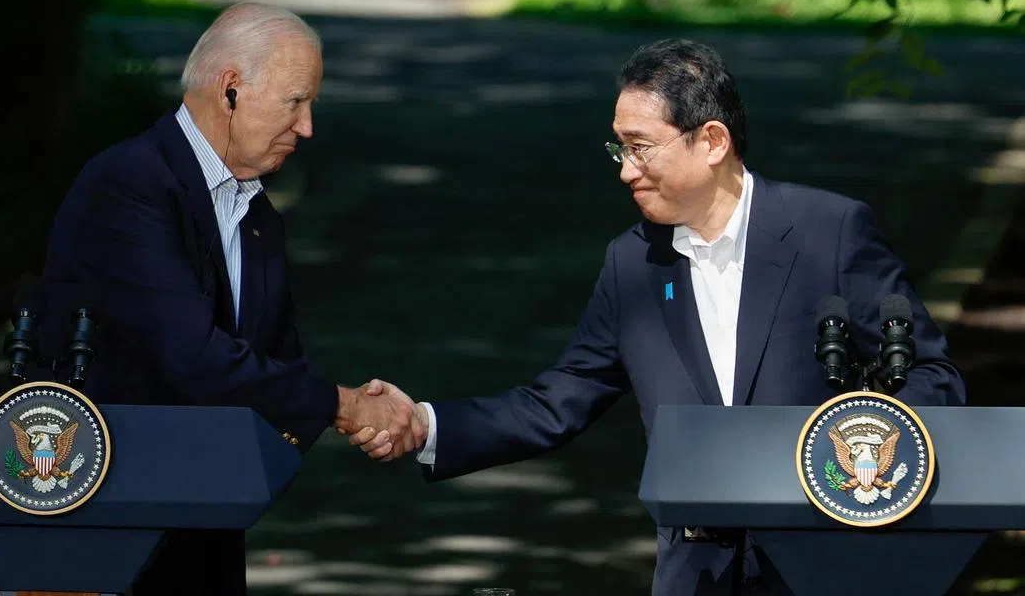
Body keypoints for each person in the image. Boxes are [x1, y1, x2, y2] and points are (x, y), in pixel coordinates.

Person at [351, 39, 966, 594]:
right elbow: (561, 398)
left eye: (642, 148)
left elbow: (931, 376)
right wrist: (426, 424)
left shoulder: (828, 232)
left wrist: (857, 460)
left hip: (827, 564)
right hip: (694, 573)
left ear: (713, 141)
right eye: (620, 148)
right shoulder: (633, 262)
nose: (625, 169)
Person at [37, 3, 416, 595]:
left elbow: (279, 364)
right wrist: (346, 407)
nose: (309, 126)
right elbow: (191, 356)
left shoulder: (258, 214)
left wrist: (360, 413)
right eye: (296, 102)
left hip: (203, 521)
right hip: (98, 519)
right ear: (231, 89)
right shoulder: (131, 182)